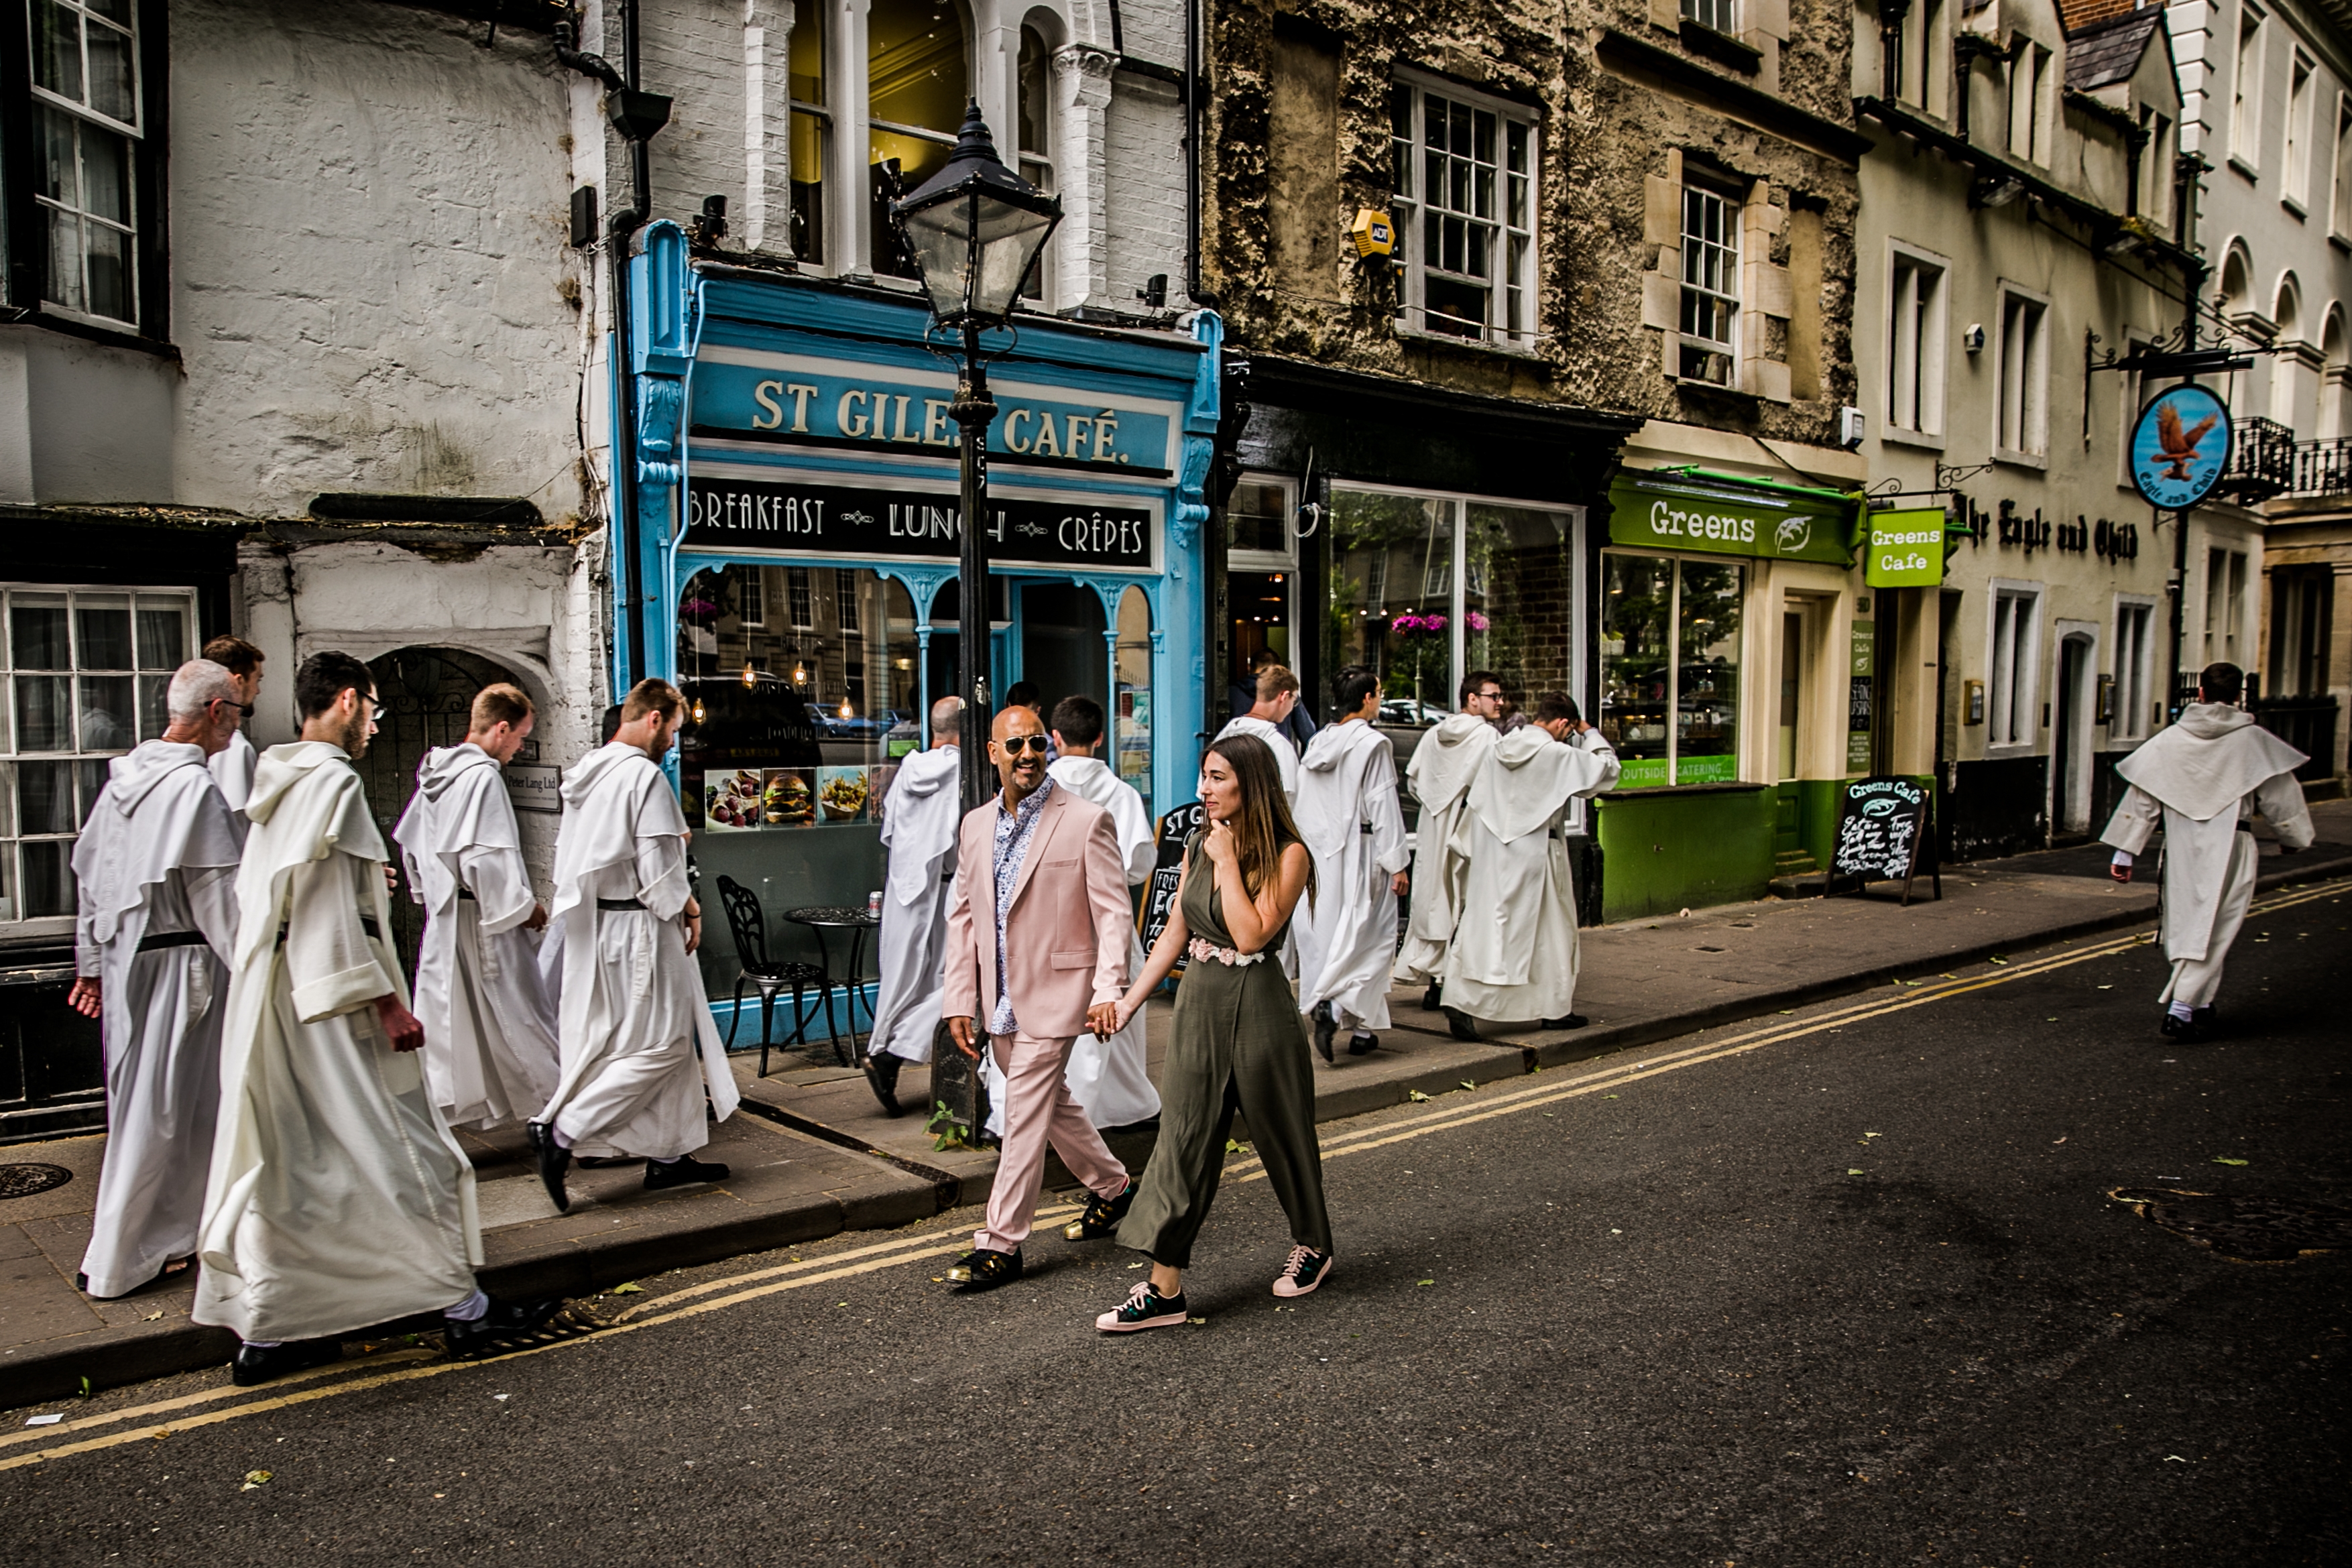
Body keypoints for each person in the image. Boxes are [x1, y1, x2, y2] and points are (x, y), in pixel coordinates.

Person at [194, 652, 558, 1386]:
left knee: (293, 1166)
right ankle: (462, 1307)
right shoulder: (331, 781)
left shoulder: (278, 779)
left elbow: (274, 898)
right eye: (374, 709)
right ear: (350, 700)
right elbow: (332, 912)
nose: (374, 724)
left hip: (276, 1000)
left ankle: (276, 1326)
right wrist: (386, 1003)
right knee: (408, 1152)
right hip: (334, 1007)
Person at [1093, 731, 1329, 1331]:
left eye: (1218, 777)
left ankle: (1314, 1243)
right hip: (1199, 999)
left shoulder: (1289, 853)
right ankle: (1164, 1288)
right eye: (1204, 775)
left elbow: (1251, 935)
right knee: (1183, 1139)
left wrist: (1227, 861)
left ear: (1251, 784)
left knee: (1284, 1135)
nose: (1204, 788)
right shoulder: (1199, 843)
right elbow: (1174, 930)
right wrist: (1126, 1001)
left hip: (1258, 1004)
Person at [937, 703, 1136, 1292]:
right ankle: (1115, 1187)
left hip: (1060, 992)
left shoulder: (1085, 819)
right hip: (1001, 1000)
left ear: (1047, 748)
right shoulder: (974, 825)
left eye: (1035, 743)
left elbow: (1112, 911)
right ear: (992, 752)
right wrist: (959, 999)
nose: (1027, 754)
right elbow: (965, 917)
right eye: (1014, 745)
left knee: (1022, 1111)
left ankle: (1000, 1242)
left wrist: (1108, 989)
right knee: (1055, 1107)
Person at [66, 660, 247, 1300]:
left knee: (149, 1103)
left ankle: (164, 1235)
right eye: (239, 713)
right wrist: (260, 968)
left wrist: (90, 964)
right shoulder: (195, 791)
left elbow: (92, 879)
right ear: (218, 711)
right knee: (171, 1109)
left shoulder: (123, 783)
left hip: (128, 962)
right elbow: (218, 898)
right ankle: (123, 1253)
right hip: (184, 963)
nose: (237, 728)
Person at [530, 678, 740, 1209]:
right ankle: (561, 1131)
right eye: (673, 728)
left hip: (601, 927)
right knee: (664, 1043)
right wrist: (690, 907)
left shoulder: (589, 773)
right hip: (642, 928)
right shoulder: (642, 777)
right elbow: (658, 870)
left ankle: (669, 1156)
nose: (673, 740)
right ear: (653, 718)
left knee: (632, 1043)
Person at [969, 692, 1159, 1133]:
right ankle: (1114, 1112)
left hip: (1039, 929)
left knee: (1038, 1028)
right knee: (1106, 1031)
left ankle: (1027, 1124)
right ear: (1099, 737)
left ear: (1053, 738)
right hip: (1102, 924)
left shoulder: (1032, 787)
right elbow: (1140, 864)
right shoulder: (1121, 794)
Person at [2101, 662, 2312, 1040]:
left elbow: (2143, 798)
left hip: (2182, 842)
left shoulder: (2171, 740)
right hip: (2233, 840)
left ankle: (2199, 1003)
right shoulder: (2253, 741)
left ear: (2199, 693)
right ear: (2238, 696)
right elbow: (2281, 796)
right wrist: (2291, 838)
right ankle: (2181, 1008)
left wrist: (2124, 853)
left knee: (2185, 925)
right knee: (2217, 926)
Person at [392, 684, 560, 1131]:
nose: (521, 747)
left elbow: (410, 843)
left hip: (447, 917)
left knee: (453, 1020)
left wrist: (428, 892)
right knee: (522, 1013)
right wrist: (524, 908)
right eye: (521, 736)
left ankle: (442, 1118)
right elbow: (485, 858)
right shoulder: (482, 776)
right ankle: (563, 1122)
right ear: (501, 728)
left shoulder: (436, 774)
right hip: (485, 918)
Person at [1439, 692, 1620, 1040]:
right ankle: (1552, 1008)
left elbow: (1473, 796)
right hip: (1539, 851)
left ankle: (1462, 998)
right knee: (1551, 933)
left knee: (1487, 930)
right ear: (1563, 724)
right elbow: (1608, 773)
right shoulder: (1555, 753)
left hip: (1494, 851)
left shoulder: (1499, 748)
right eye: (1569, 731)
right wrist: (1592, 734)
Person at [1293, 664, 1409, 1061]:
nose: (1379, 699)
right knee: (1373, 938)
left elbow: (1304, 802)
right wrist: (1397, 862)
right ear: (1365, 699)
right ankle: (1336, 1008)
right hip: (1363, 850)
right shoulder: (1372, 744)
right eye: (1377, 693)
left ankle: (1362, 1030)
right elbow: (1383, 804)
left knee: (1333, 938)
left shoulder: (1319, 742)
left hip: (1322, 852)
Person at [862, 695, 966, 1116]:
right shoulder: (964, 772)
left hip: (904, 889)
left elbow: (890, 827)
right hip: (947, 889)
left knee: (902, 981)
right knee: (960, 983)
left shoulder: (909, 769)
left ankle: (886, 1050)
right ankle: (890, 1055)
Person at [1392, 671, 1505, 1010]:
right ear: (1473, 699)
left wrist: (1435, 804)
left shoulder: (1433, 735)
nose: (1500, 702)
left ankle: (1432, 978)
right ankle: (1449, 982)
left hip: (1432, 826)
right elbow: (1493, 784)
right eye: (1494, 696)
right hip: (1467, 828)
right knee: (1463, 898)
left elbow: (1414, 781)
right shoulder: (1487, 737)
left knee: (1433, 896)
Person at [1215, 664, 1305, 800]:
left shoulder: (1221, 739)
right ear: (1284, 696)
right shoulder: (1279, 745)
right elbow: (1289, 802)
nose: (1293, 707)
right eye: (1294, 701)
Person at [200, 637, 266, 812]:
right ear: (239, 682)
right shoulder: (234, 747)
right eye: (257, 680)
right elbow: (238, 819)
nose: (258, 691)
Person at [1228, 649, 1319, 749]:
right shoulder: (1287, 693)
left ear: (1249, 668)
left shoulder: (1232, 693)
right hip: (1277, 753)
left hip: (1241, 754)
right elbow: (1308, 733)